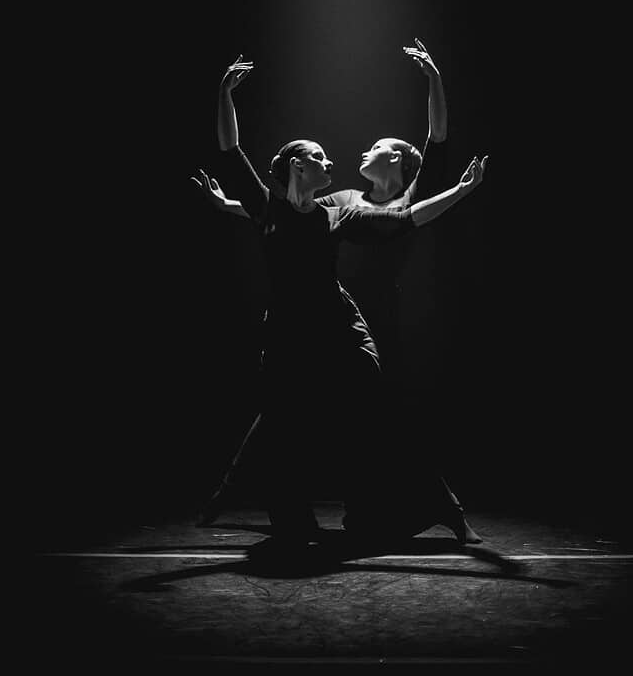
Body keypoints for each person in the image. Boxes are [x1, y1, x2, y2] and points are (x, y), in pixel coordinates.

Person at [191, 53, 487, 548]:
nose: (334, 161)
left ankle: (437, 509)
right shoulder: (317, 203)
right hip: (291, 326)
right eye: (320, 157)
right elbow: (237, 161)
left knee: (374, 415)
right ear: (293, 166)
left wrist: (459, 187)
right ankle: (276, 508)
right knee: (282, 418)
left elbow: (406, 217)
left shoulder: (346, 214)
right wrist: (223, 95)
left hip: (344, 322)